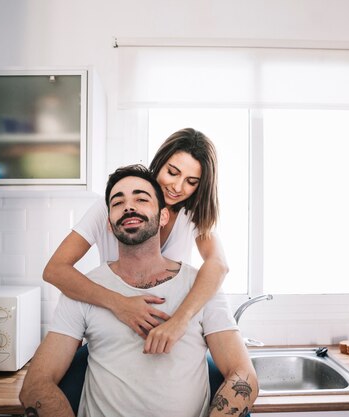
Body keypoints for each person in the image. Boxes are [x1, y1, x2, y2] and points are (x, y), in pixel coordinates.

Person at [20, 165, 257, 417]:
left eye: (141, 199)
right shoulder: (82, 291)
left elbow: (244, 376)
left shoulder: (200, 287)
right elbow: (35, 385)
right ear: (109, 224)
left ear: (163, 217)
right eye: (118, 202)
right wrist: (118, 303)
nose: (129, 207)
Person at [44, 128, 228, 354]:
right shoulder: (115, 207)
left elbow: (218, 265)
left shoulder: (191, 217)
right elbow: (55, 269)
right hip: (112, 335)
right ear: (159, 163)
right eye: (172, 172)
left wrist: (180, 320)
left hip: (164, 339)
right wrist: (119, 304)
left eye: (191, 181)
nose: (177, 187)